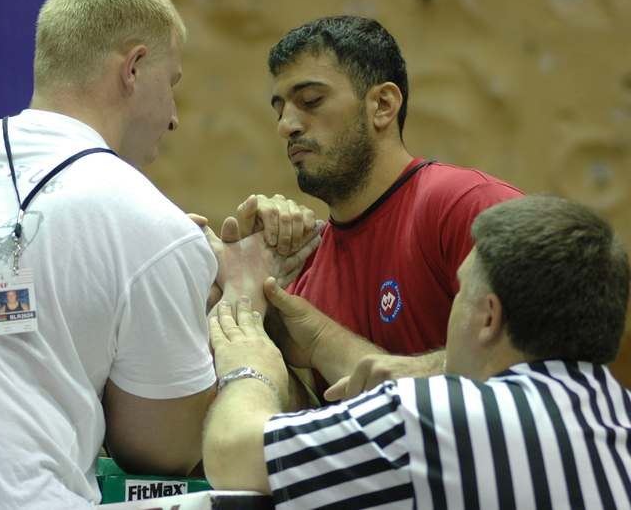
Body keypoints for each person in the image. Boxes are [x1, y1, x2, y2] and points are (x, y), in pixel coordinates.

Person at [0, 0, 316, 508]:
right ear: (132, 68)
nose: (174, 116)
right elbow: (163, 452)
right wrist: (236, 296)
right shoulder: (151, 225)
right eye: (171, 83)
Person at [203, 195, 631, 509]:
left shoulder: (428, 416)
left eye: (462, 291)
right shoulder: (619, 412)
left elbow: (230, 454)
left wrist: (250, 360)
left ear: (488, 317)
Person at [228, 16, 524, 396]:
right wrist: (248, 278)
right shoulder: (305, 270)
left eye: (310, 101)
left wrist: (327, 341)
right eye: (279, 108)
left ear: (382, 105)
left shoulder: (468, 205)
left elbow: (545, 369)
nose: (286, 125)